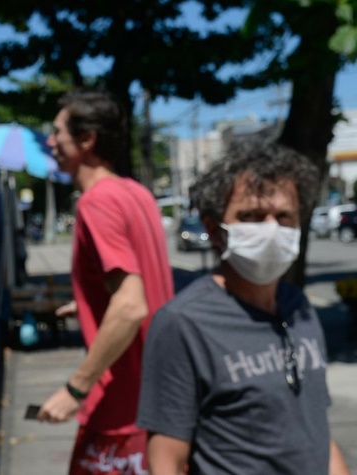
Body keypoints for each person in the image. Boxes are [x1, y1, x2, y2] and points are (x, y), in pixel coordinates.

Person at [137, 140, 350, 475]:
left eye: (284, 217)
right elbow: (166, 461)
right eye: (251, 216)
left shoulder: (298, 306)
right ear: (214, 229)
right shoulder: (183, 324)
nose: (270, 230)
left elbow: (316, 427)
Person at [37, 90, 174, 475]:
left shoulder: (97, 202)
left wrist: (75, 389)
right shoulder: (138, 194)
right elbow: (139, 281)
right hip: (160, 399)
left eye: (57, 132)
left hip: (120, 407)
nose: (50, 142)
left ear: (87, 140)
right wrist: (86, 304)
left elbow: (131, 305)